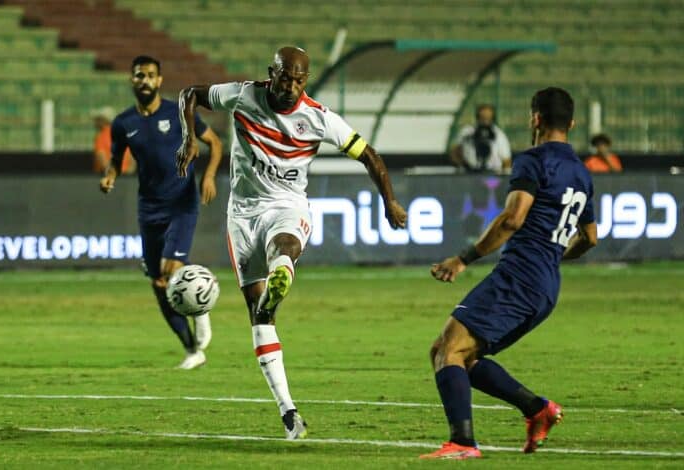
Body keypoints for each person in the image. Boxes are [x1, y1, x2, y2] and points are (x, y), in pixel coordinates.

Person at [177, 46, 407, 439]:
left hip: (287, 206)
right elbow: (189, 95)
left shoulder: (318, 118)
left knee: (283, 246)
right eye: (286, 78)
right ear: (273, 73)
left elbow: (368, 154)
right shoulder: (243, 95)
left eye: (299, 80)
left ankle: (282, 268)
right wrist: (189, 138)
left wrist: (390, 200)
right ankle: (288, 411)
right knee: (260, 315)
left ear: (306, 80)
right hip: (242, 216)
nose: (291, 86)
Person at [421, 87, 598, 460]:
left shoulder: (533, 160)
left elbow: (512, 219)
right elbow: (590, 238)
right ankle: (537, 409)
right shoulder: (582, 172)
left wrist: (464, 259)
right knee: (456, 353)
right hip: (546, 285)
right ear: (572, 123)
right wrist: (553, 256)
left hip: (520, 277)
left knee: (448, 350)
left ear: (535, 118)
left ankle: (463, 444)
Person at [99, 55, 223, 370]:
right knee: (159, 284)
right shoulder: (123, 123)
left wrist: (208, 176)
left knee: (170, 270)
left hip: (182, 203)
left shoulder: (179, 112)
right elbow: (116, 159)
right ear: (132, 80)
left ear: (159, 80)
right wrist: (110, 175)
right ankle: (192, 350)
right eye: (139, 75)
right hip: (149, 208)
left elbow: (215, 143)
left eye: (150, 75)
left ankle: (201, 302)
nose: (145, 80)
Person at [450, 104, 512, 174]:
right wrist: (463, 166)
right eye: (482, 117)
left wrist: (503, 177)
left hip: (492, 176)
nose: (485, 120)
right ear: (477, 117)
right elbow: (454, 153)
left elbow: (506, 160)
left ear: (493, 118)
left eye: (488, 117)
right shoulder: (466, 132)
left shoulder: (499, 135)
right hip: (469, 174)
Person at [92, 106, 135, 175]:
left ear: (104, 121)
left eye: (97, 119)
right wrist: (128, 174)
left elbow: (101, 158)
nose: (95, 122)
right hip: (126, 176)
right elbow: (133, 156)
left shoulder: (101, 137)